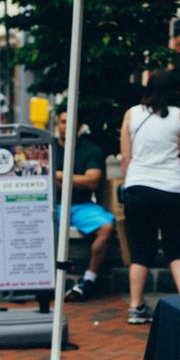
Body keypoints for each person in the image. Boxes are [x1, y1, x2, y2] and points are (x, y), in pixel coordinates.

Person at [120, 70, 180, 324]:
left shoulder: (131, 114)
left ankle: (135, 306)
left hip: (138, 188)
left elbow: (126, 157)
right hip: (174, 190)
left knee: (141, 251)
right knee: (176, 248)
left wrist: (132, 183)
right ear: (174, 90)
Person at [56, 108, 116, 300]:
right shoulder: (48, 147)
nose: (66, 126)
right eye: (63, 122)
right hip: (53, 206)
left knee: (107, 227)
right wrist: (76, 180)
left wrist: (58, 176)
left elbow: (92, 181)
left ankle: (88, 281)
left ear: (79, 126)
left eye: (71, 122)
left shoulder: (91, 150)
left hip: (81, 205)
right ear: (57, 124)